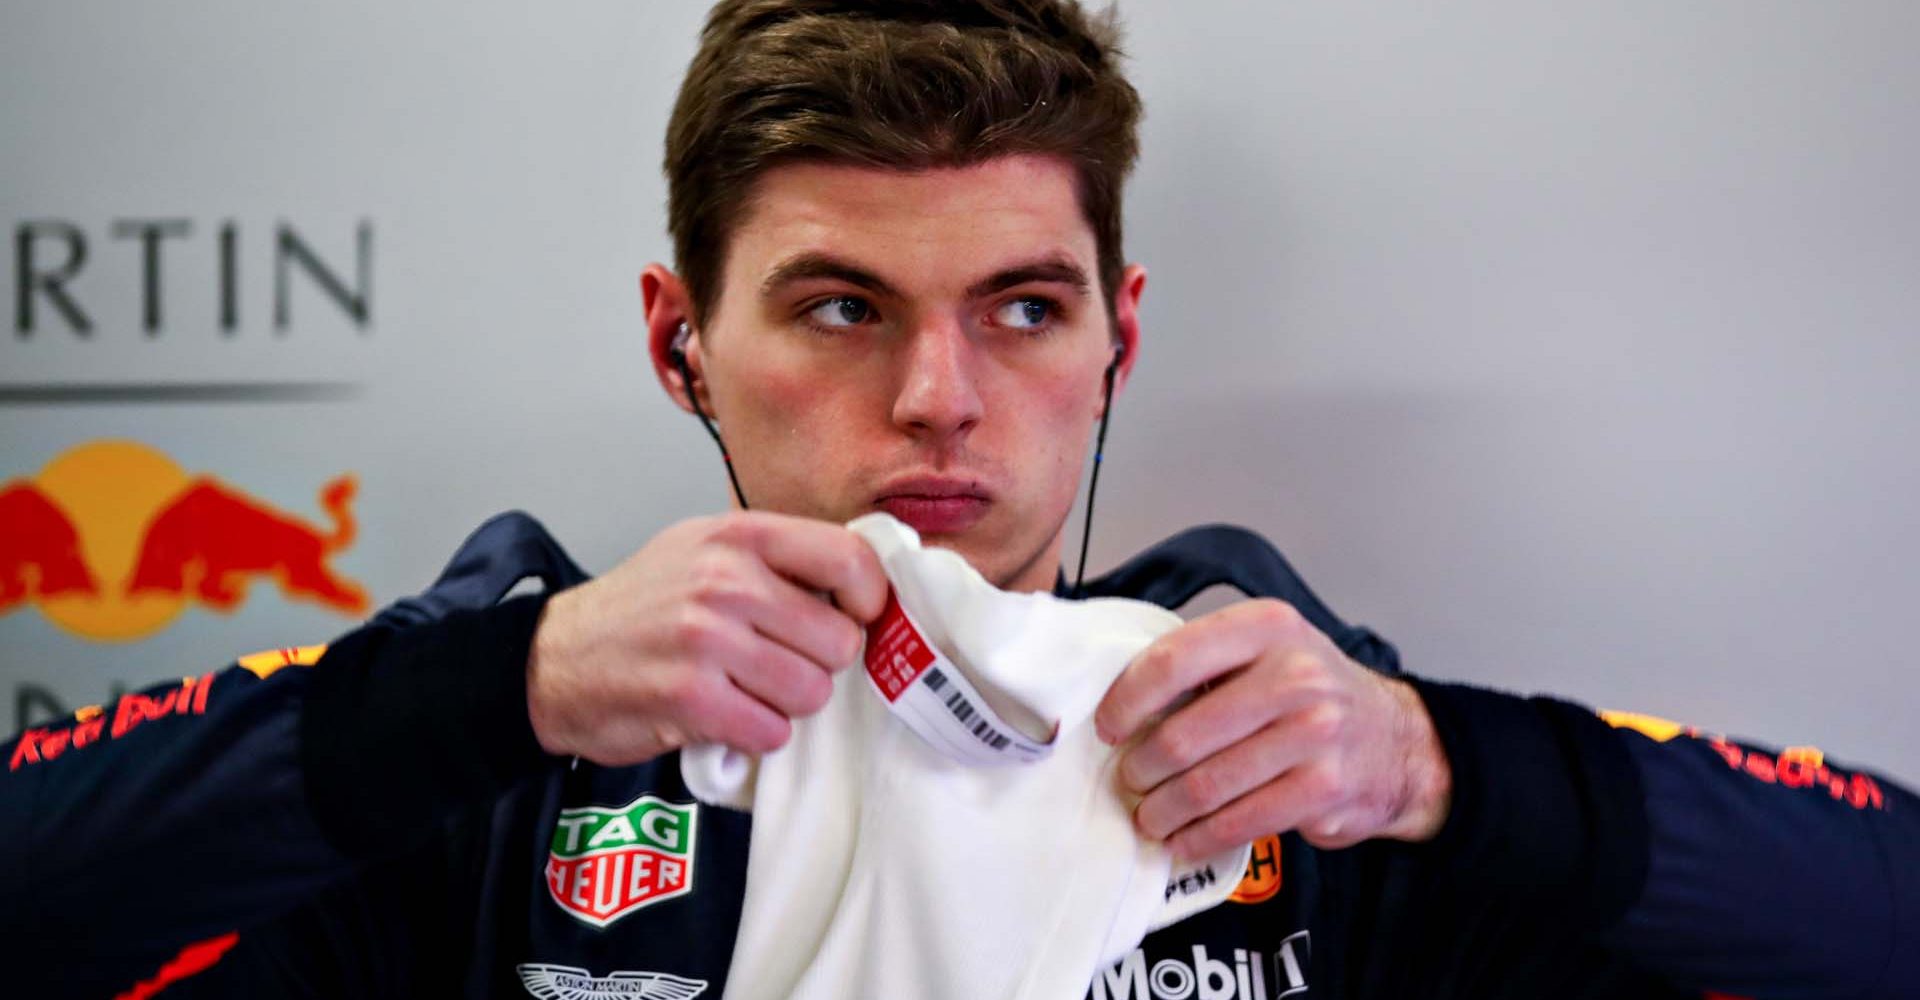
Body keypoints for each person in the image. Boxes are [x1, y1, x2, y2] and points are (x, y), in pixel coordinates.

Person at [2, 1, 1914, 997]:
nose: (938, 400)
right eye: (841, 308)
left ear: (1119, 340)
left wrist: (1434, 769)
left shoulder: (1287, 759)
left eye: (1020, 309)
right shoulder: (495, 768)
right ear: (682, 342)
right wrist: (483, 695)